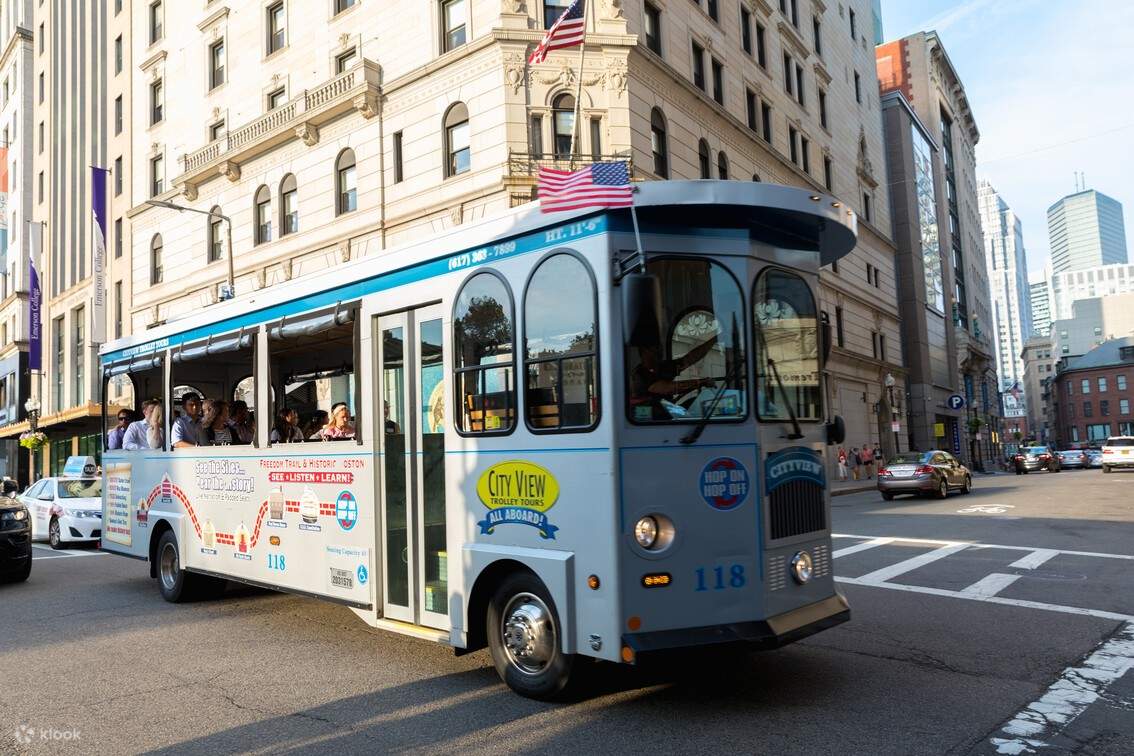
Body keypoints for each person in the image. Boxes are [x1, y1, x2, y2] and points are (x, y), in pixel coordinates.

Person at [629, 335, 720, 420]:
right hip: (649, 420)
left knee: (700, 403)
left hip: (666, 412)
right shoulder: (639, 374)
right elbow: (668, 388)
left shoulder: (662, 367)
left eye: (660, 347)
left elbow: (690, 359)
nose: (660, 351)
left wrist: (714, 340)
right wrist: (700, 382)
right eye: (656, 348)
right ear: (644, 350)